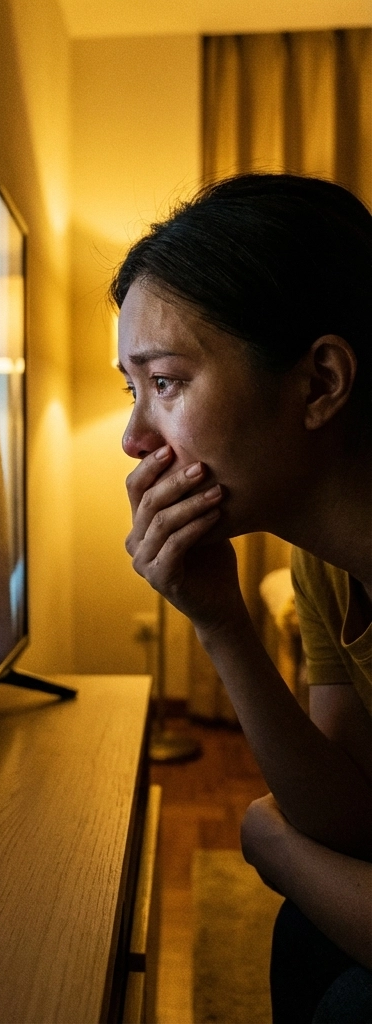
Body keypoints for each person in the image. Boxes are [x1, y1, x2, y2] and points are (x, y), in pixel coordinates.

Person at [113, 173, 371, 1022]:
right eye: (131, 390)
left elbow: (307, 841)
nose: (135, 438)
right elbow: (348, 820)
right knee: (311, 938)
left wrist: (270, 844)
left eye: (166, 382)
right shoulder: (324, 566)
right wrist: (219, 620)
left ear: (320, 382)